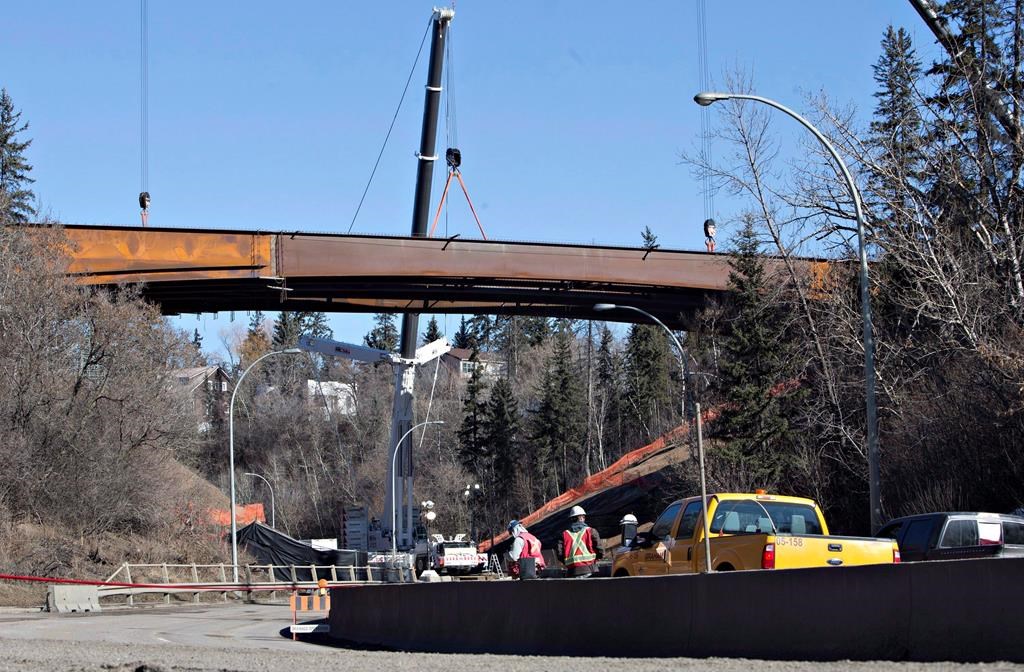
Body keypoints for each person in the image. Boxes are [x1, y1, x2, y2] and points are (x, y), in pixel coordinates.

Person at [558, 505, 603, 578]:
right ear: (581, 518)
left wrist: (568, 563)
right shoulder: (591, 531)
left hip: (572, 572)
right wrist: (596, 559)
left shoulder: (564, 535)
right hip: (590, 570)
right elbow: (600, 550)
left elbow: (560, 554)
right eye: (584, 517)